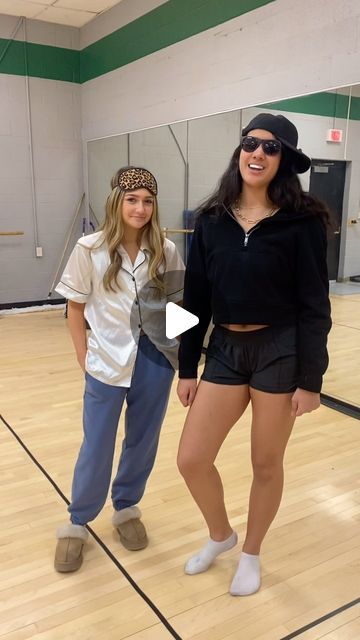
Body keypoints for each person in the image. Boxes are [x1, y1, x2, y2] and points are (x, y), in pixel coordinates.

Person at [176, 113, 332, 596]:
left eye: (270, 148)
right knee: (191, 459)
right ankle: (222, 536)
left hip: (279, 351)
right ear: (239, 151)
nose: (257, 154)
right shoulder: (211, 221)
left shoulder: (303, 222)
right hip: (224, 349)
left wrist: (311, 379)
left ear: (283, 161)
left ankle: (252, 553)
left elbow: (314, 305)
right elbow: (193, 298)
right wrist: (186, 366)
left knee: (265, 464)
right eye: (251, 144)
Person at [54, 166, 185, 572]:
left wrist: (180, 359)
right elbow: (74, 309)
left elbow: (176, 307)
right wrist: (83, 355)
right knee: (96, 444)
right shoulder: (89, 249)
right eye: (132, 199)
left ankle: (126, 508)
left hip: (154, 363)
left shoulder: (166, 249)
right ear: (117, 201)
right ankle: (78, 522)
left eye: (148, 201)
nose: (141, 208)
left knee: (143, 440)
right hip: (105, 364)